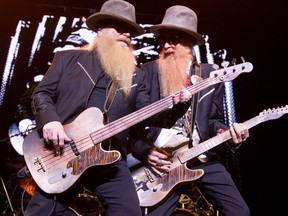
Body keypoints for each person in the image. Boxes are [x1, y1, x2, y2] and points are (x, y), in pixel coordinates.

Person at [24, 1, 193, 216]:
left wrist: (179, 103)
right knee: (41, 213)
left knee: (129, 212)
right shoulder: (67, 59)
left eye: (129, 31)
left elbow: (150, 116)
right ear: (100, 29)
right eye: (118, 27)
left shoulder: (136, 75)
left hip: (109, 158)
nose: (125, 34)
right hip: (65, 153)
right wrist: (50, 120)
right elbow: (41, 94)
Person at [130, 5, 250, 216]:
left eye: (173, 39)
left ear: (190, 43)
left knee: (239, 211)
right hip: (164, 163)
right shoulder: (146, 72)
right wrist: (146, 152)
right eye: (162, 38)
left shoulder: (210, 74)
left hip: (201, 157)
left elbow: (213, 121)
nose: (166, 45)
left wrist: (229, 135)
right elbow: (132, 125)